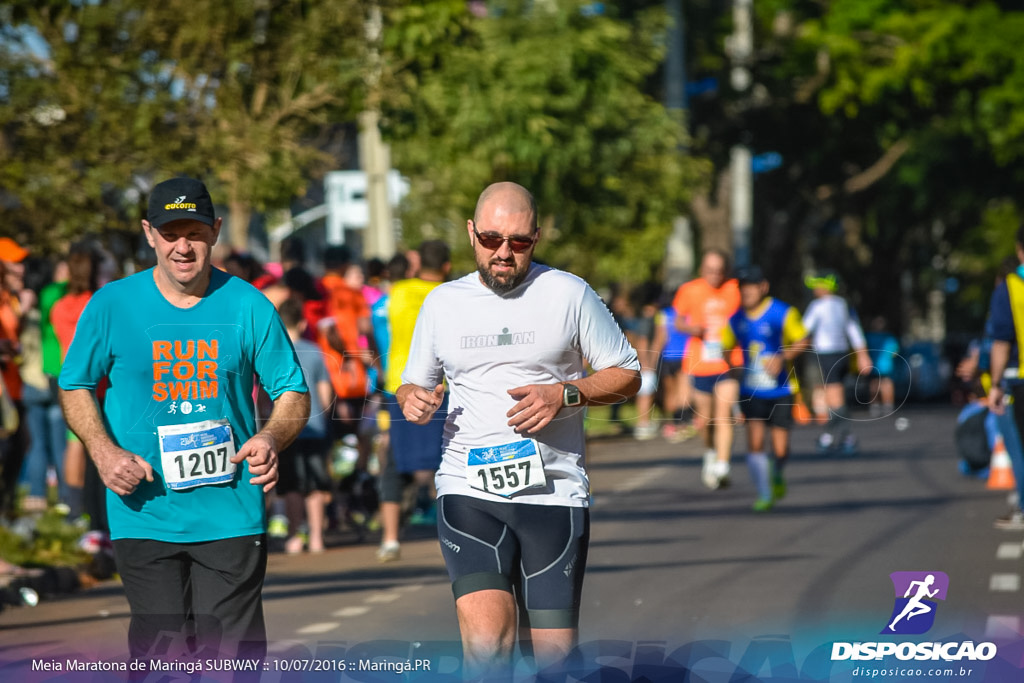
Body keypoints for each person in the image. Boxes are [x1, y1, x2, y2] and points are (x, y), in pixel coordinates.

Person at [58, 177, 310, 665]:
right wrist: (103, 452)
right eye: (171, 232)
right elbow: (74, 385)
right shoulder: (111, 305)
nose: (183, 246)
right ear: (149, 233)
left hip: (231, 510)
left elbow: (292, 392)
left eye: (193, 232)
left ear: (215, 231)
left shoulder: (248, 304)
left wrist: (270, 436)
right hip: (144, 511)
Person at [397, 182, 640, 677]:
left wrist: (566, 393)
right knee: (487, 646)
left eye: (519, 242)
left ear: (537, 235)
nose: (503, 253)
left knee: (553, 661)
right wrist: (412, 400)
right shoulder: (442, 302)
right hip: (468, 488)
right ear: (471, 234)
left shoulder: (568, 293)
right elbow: (412, 384)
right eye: (491, 239)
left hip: (552, 495)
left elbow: (627, 373)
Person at [377, 240, 451, 563]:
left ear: (419, 264)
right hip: (442, 388)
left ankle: (390, 539)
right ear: (447, 266)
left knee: (393, 466)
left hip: (401, 387)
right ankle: (449, 537)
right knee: (447, 464)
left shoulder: (398, 291)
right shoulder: (453, 295)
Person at [722, 266, 810, 511]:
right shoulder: (736, 318)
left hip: (782, 389)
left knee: (780, 448)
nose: (745, 291)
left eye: (750, 286)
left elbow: (803, 339)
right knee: (755, 443)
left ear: (763, 287)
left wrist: (782, 357)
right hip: (751, 390)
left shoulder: (782, 312)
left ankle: (778, 470)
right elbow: (725, 345)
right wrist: (733, 366)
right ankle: (764, 493)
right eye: (742, 287)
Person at [672, 249, 741, 489]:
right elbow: (678, 321)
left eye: (720, 271)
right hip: (700, 363)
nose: (715, 275)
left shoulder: (735, 289)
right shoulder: (690, 290)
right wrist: (693, 329)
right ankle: (710, 451)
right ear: (702, 270)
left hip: (728, 362)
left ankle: (723, 464)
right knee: (706, 420)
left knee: (724, 416)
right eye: (710, 270)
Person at [276, 298, 334, 554]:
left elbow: (267, 397)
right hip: (315, 427)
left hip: (285, 428)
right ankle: (318, 538)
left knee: (291, 486)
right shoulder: (315, 351)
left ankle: (294, 536)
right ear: (302, 322)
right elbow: (325, 395)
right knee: (315, 485)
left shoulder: (275, 352)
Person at [802, 271, 873, 454]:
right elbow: (855, 331)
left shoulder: (817, 306)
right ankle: (834, 435)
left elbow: (803, 330)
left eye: (818, 285)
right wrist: (863, 355)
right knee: (834, 395)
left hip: (827, 355)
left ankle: (841, 436)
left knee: (834, 397)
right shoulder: (844, 304)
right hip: (843, 354)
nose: (815, 289)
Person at [982, 226, 1024, 530]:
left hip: (1018, 377)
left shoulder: (1010, 286)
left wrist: (994, 385)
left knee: (1018, 446)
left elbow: (1001, 342)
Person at [865, 316, 901, 418]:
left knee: (877, 385)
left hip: (877, 365)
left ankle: (878, 406)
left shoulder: (869, 337)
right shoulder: (889, 337)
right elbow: (895, 352)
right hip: (883, 365)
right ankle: (886, 405)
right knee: (882, 385)